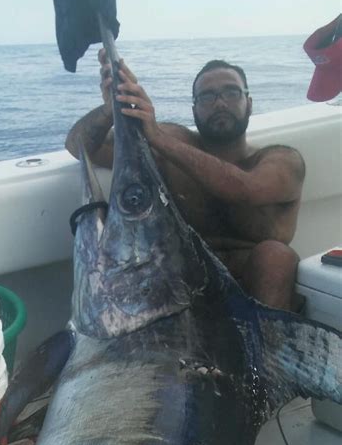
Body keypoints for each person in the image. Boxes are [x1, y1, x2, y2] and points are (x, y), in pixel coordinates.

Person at [66, 50, 306, 311]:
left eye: (231, 92)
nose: (220, 103)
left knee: (275, 256)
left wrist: (157, 138)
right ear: (194, 110)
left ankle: (267, 348)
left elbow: (243, 188)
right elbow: (80, 147)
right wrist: (111, 109)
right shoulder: (174, 144)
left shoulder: (282, 160)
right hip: (185, 293)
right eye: (207, 96)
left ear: (249, 103)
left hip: (260, 296)